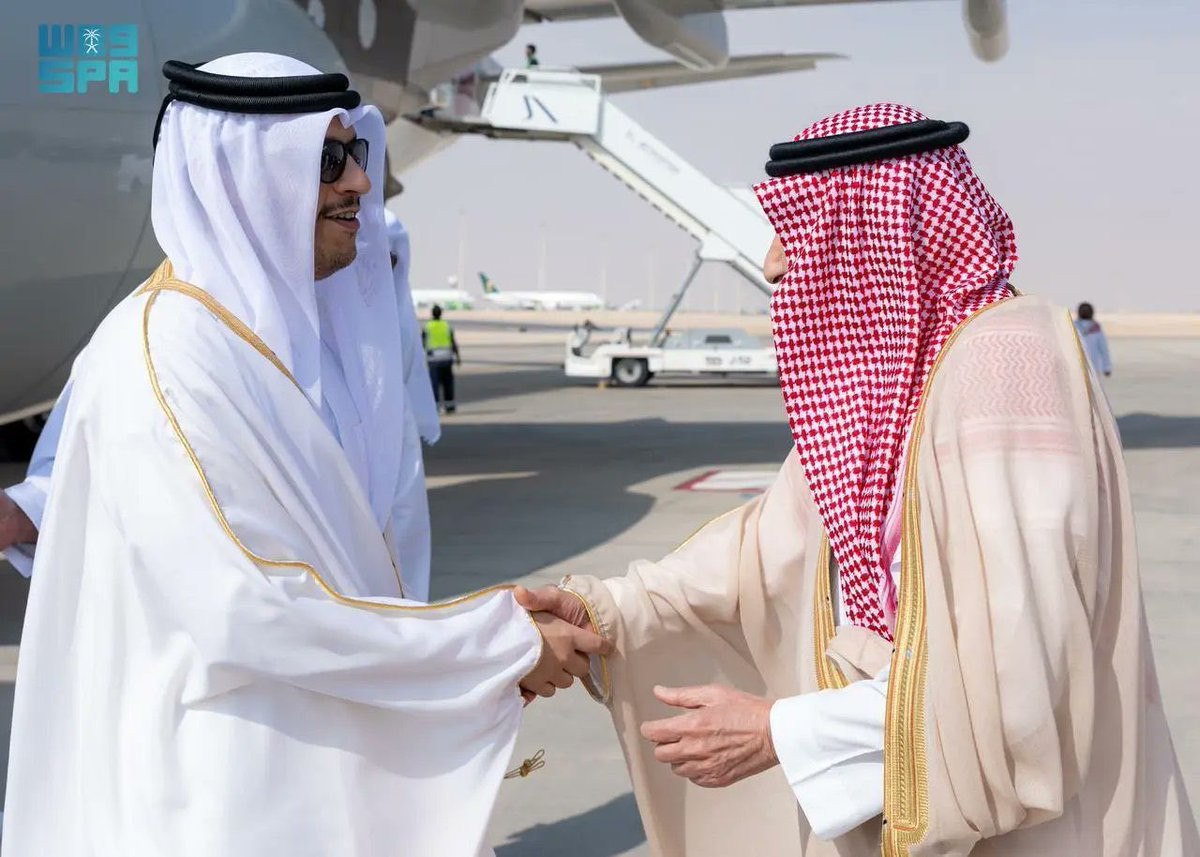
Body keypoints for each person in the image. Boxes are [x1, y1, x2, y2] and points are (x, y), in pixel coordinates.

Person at [518, 104, 1197, 855]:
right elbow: (758, 557)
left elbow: (1017, 688)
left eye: (797, 228)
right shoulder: (896, 393)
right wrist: (601, 611)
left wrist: (783, 730)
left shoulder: (1002, 367)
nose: (775, 264)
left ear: (872, 236)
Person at [1, 53, 608, 857]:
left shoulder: (308, 344)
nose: (359, 181)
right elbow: (248, 603)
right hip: (224, 796)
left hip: (330, 760)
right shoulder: (165, 355)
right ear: (242, 175)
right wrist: (496, 643)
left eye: (355, 151)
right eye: (326, 160)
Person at [424, 304, 461, 414]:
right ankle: (450, 407)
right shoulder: (446, 325)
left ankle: (435, 407)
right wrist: (458, 357)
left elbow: (422, 343)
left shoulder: (428, 326)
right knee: (448, 383)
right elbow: (453, 342)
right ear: (441, 313)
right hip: (446, 358)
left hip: (433, 359)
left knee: (434, 384)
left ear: (432, 313)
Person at [1075, 301, 1113, 376]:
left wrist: (1107, 367)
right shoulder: (1073, 326)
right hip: (1081, 367)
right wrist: (1107, 367)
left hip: (1090, 367)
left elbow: (1103, 349)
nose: (1085, 312)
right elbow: (1103, 349)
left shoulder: (1096, 328)